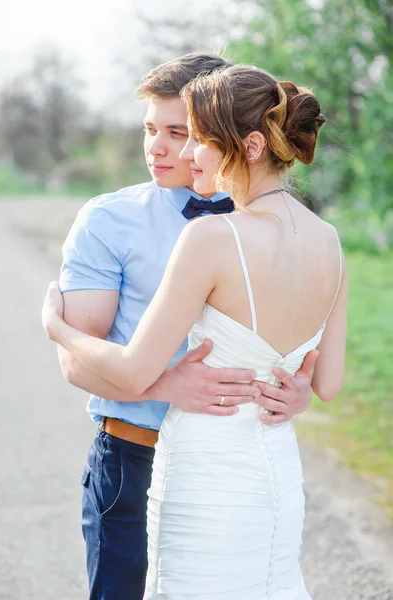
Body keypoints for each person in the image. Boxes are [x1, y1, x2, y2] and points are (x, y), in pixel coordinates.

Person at [54, 54, 320, 600]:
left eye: (181, 133)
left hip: (227, 468)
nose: (158, 147)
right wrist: (158, 385)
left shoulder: (269, 224)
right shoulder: (107, 219)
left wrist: (297, 391)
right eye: (150, 129)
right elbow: (75, 359)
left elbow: (298, 344)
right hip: (133, 457)